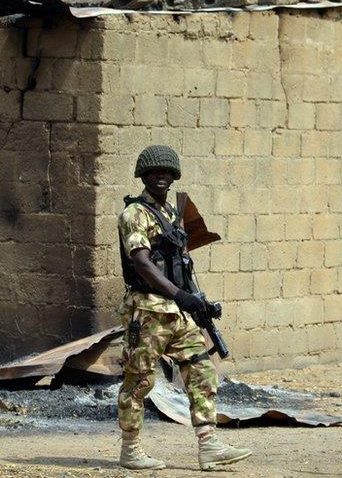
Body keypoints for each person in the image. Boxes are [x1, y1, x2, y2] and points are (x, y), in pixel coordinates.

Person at [116, 145, 251, 471]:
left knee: (202, 370)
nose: (161, 176)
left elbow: (182, 264)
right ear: (144, 176)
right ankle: (131, 450)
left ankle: (209, 444)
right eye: (154, 172)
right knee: (139, 381)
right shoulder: (134, 214)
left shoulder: (174, 216)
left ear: (174, 176)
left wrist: (197, 299)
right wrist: (181, 295)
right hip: (146, 313)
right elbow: (144, 265)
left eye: (167, 172)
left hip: (178, 313)